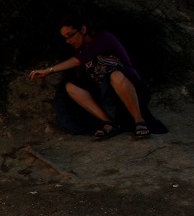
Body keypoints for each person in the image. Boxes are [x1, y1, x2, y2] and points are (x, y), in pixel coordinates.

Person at [29, 14, 163, 139]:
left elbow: (79, 60)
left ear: (83, 29)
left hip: (130, 90)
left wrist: (49, 70)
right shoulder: (80, 48)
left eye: (70, 35)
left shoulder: (103, 38)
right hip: (106, 96)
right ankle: (108, 122)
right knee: (70, 87)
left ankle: (139, 120)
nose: (68, 41)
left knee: (116, 75)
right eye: (65, 38)